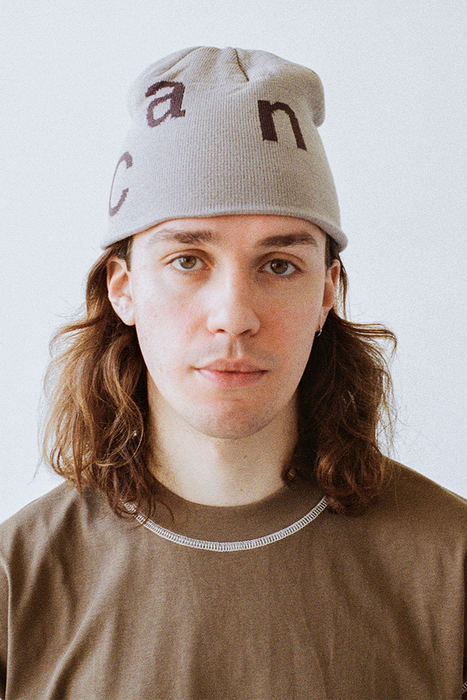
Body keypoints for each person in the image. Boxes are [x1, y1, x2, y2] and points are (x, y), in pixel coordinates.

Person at [0, 46, 466, 700]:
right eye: (188, 260)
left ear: (326, 291)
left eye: (278, 265)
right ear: (123, 288)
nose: (234, 316)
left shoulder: (451, 565)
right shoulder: (17, 580)